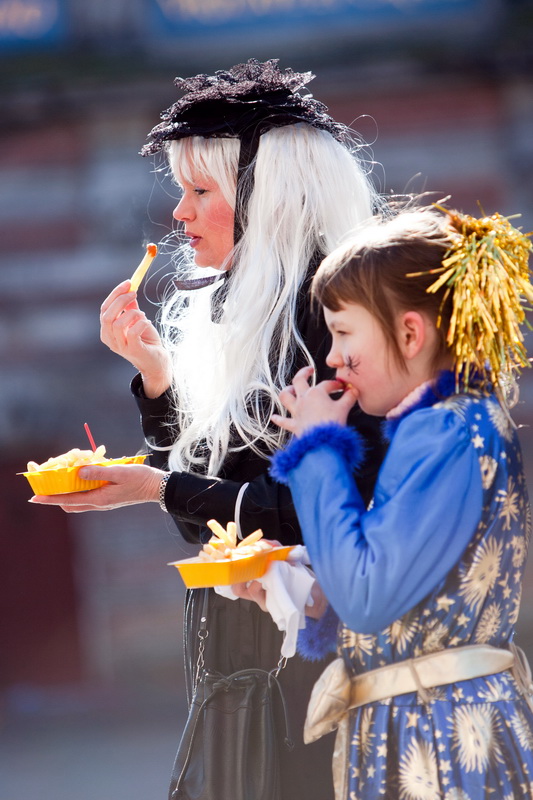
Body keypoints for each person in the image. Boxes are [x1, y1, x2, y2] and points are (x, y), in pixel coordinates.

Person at [30, 60, 387, 799]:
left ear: (268, 197)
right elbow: (213, 524)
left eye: (200, 191)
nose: (179, 213)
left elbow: (313, 514)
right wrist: (159, 382)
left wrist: (159, 485)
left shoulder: (331, 320)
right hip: (248, 666)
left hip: (321, 669)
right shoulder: (253, 310)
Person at [259, 203, 533, 799]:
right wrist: (304, 592)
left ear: (410, 333)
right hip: (432, 728)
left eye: (342, 332)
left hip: (439, 745)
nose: (330, 358)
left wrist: (315, 449)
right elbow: (406, 591)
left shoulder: (446, 433)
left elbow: (368, 596)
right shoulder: (447, 426)